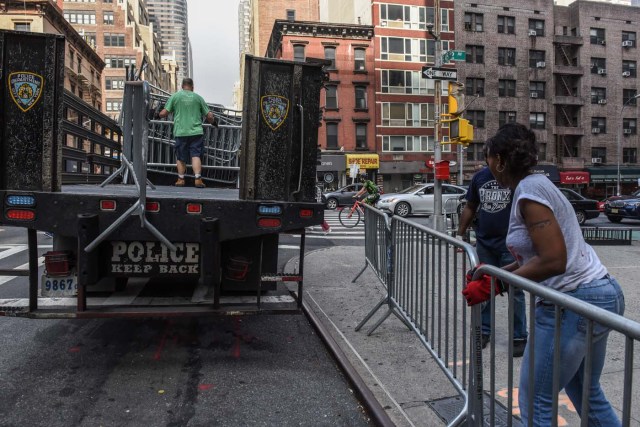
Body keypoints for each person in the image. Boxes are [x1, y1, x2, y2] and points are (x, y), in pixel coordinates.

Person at [462, 123, 624, 426]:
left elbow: (553, 261)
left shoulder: (529, 192)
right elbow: (538, 255)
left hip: (573, 303)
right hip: (596, 294)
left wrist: (497, 282)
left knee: (536, 401)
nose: (487, 165)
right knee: (586, 393)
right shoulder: (535, 186)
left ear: (499, 160)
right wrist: (495, 276)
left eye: (487, 158)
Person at [457, 166, 528, 357]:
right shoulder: (480, 177)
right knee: (483, 287)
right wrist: (459, 234)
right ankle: (483, 331)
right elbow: (470, 206)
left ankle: (519, 336)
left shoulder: (515, 176)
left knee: (515, 290)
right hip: (485, 243)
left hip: (510, 244)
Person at [159, 78, 217, 188]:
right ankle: (198, 179)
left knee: (181, 157)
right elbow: (209, 116)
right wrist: (213, 123)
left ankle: (181, 179)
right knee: (195, 155)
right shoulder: (198, 98)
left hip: (181, 132)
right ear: (192, 86)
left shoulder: (175, 96)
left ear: (182, 86)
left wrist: (157, 115)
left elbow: (164, 113)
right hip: (196, 132)